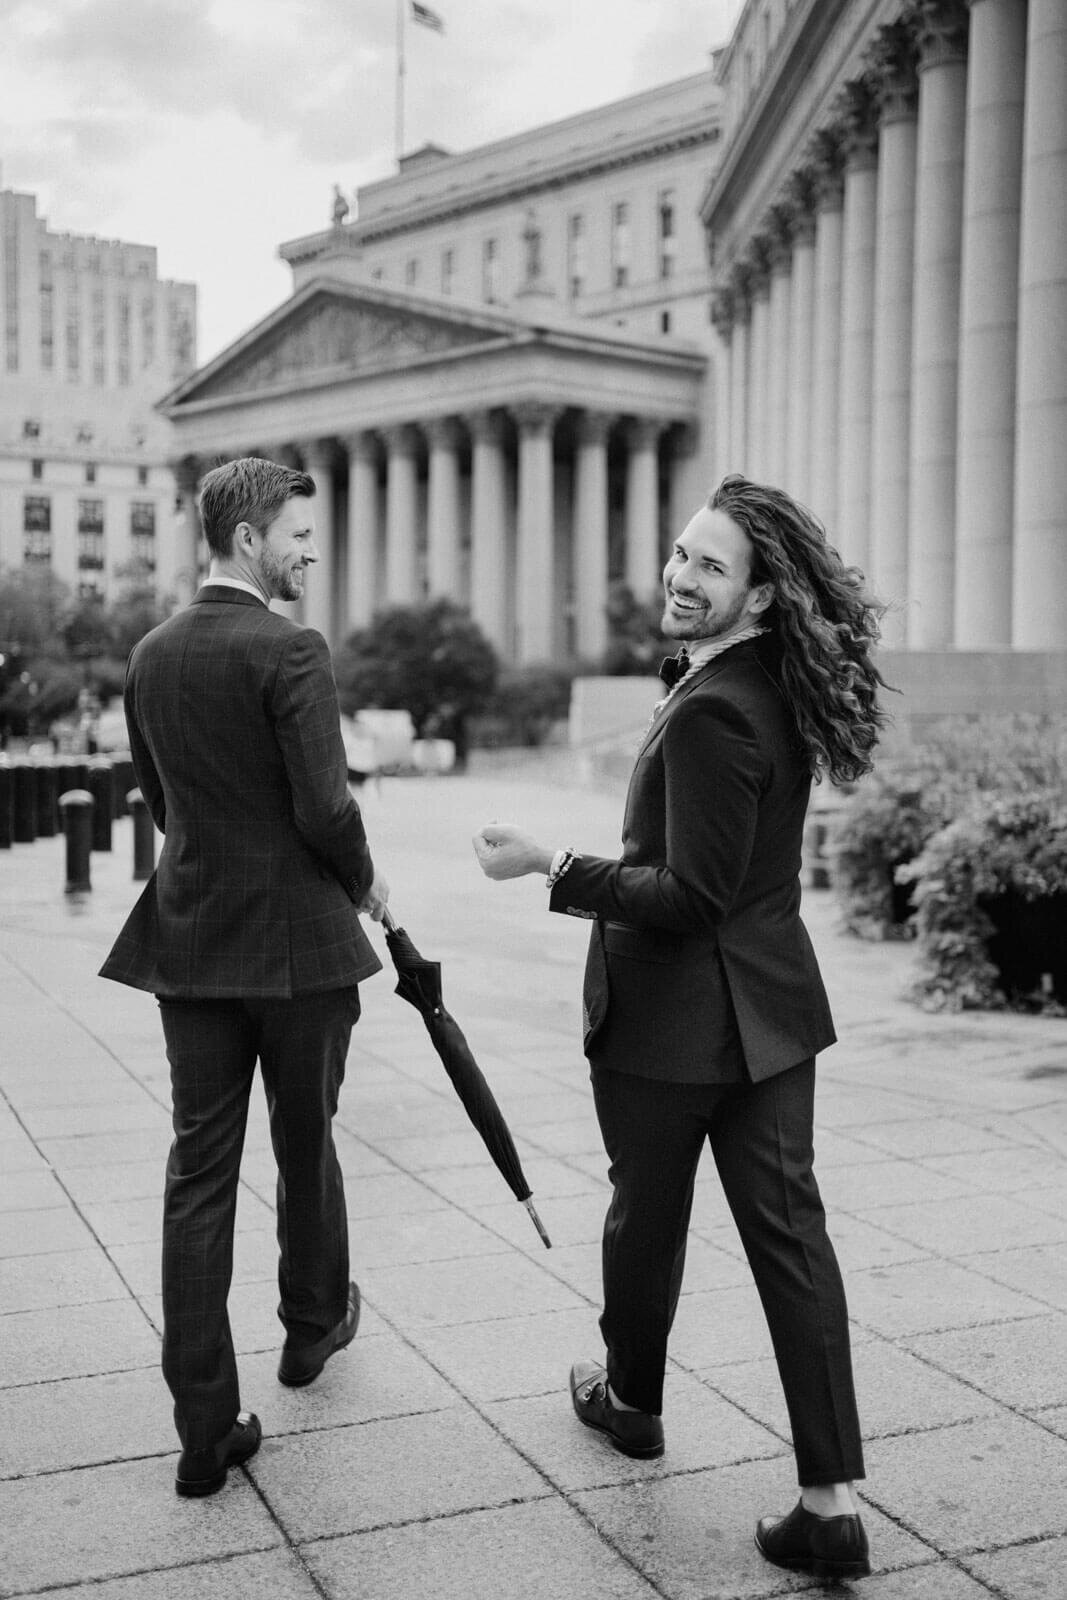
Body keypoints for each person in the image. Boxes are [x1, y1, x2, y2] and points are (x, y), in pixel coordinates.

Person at [474, 474, 887, 1582]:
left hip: (673, 1022)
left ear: (758, 596)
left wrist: (548, 865)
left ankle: (632, 1400)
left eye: (710, 564)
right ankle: (828, 1498)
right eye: (679, 553)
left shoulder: (712, 708)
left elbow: (687, 892)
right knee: (792, 1245)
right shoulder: (765, 684)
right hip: (770, 1015)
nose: (680, 574)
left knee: (641, 1221)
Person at [101, 457, 388, 1497]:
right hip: (303, 951)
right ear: (251, 535)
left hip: (193, 943)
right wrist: (370, 885)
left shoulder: (149, 653)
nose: (310, 550)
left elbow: (160, 799)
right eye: (299, 533)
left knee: (198, 1175)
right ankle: (310, 1327)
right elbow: (324, 807)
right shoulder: (291, 649)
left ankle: (202, 1429)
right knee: (305, 1138)